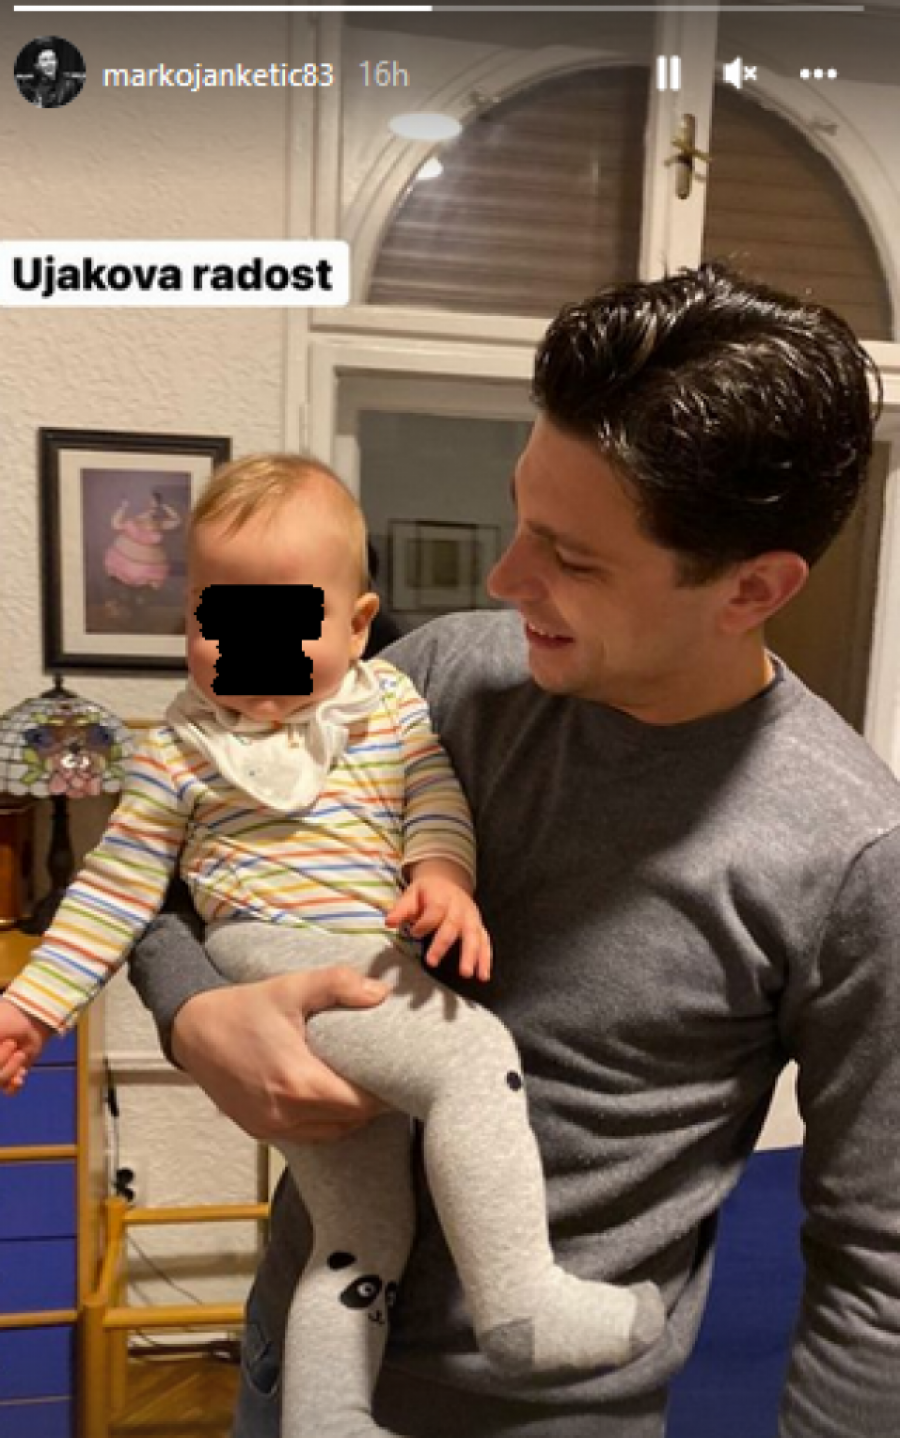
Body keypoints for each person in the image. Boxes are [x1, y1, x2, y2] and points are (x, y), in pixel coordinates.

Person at [130, 263, 900, 1438]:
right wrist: (193, 1013)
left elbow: (880, 1264)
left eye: (572, 559)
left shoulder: (857, 854)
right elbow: (164, 866)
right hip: (303, 1361)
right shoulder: (437, 680)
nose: (503, 579)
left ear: (754, 588)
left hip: (558, 1412)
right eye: (522, 517)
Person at [0, 456, 662, 1438]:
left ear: (357, 625)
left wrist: (443, 879)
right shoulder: (183, 746)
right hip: (271, 951)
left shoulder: (386, 706)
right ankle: (521, 1302)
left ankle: (328, 1415)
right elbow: (118, 884)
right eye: (220, 618)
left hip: (372, 953)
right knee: (473, 1054)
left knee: (359, 1235)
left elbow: (432, 804)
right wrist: (33, 1003)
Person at [16, 42, 83, 109]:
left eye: (52, 59)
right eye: (44, 60)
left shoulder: (68, 85)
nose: (50, 63)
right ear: (37, 66)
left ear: (57, 62)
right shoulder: (29, 87)